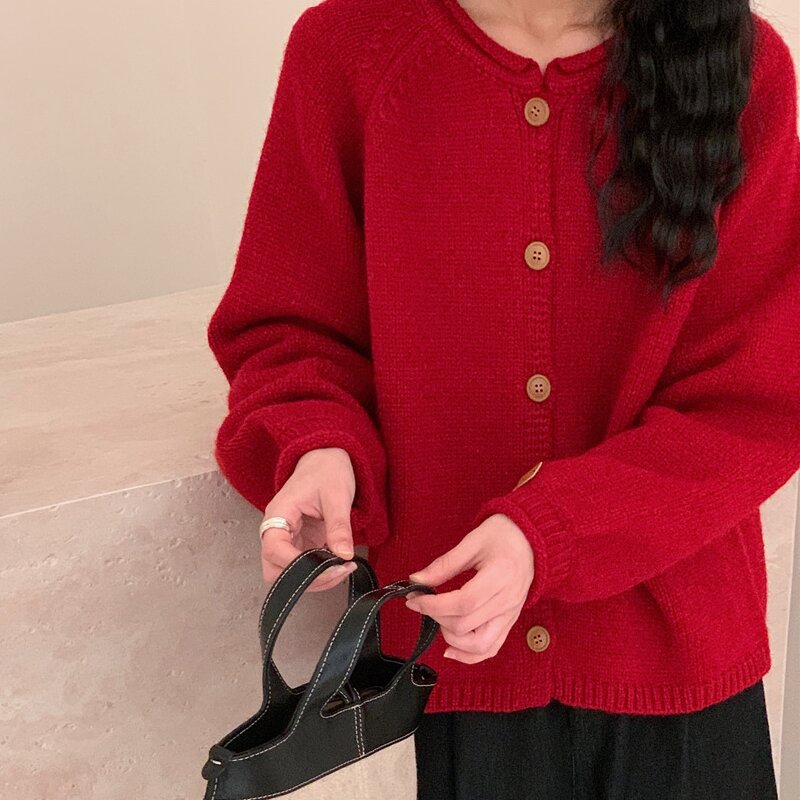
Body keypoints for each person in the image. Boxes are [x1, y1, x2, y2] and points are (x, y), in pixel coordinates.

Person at [206, 0, 800, 797]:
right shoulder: (348, 50)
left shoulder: (743, 67)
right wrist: (319, 443)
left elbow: (756, 397)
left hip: (679, 672)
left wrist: (551, 532)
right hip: (455, 674)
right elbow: (289, 326)